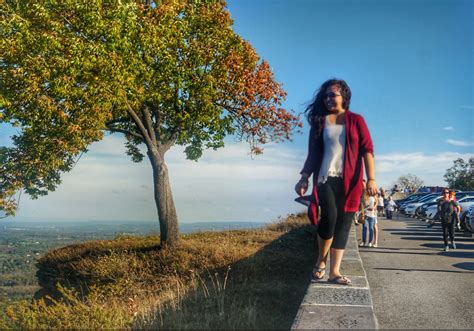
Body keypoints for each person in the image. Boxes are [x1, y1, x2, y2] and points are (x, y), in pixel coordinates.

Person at [295, 78, 376, 286]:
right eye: (326, 95)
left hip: (351, 182)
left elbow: (367, 150)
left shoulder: (357, 120)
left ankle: (334, 271)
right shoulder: (320, 121)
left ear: (344, 96)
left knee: (343, 225)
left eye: (333, 94)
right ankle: (320, 262)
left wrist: (372, 179)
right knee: (329, 217)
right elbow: (313, 154)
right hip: (325, 178)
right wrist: (304, 177)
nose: (329, 99)